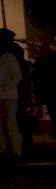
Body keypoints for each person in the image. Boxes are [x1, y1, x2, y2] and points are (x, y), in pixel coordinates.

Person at [0, 29, 27, 159]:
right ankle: (3, 147)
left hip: (10, 95)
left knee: (11, 122)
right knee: (2, 124)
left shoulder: (9, 57)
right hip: (4, 94)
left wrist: (6, 87)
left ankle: (15, 148)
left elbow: (18, 76)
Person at [32, 42, 56, 140]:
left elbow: (36, 74)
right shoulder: (55, 59)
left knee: (52, 112)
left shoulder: (40, 60)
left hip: (46, 89)